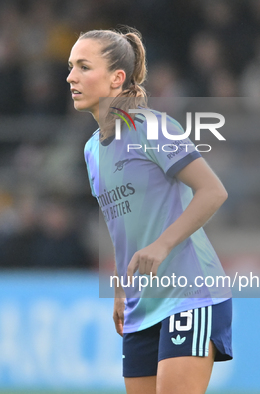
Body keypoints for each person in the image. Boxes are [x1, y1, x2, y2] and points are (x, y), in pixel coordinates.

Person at [67, 27, 233, 394]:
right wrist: (120, 286)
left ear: (116, 78)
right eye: (70, 67)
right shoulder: (92, 149)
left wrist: (162, 245)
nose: (71, 77)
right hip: (142, 301)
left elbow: (212, 191)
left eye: (83, 66)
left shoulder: (152, 127)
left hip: (190, 294)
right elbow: (121, 223)